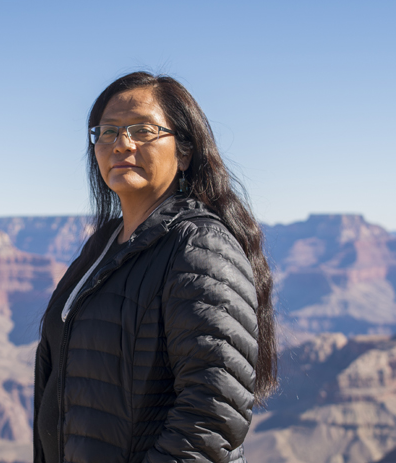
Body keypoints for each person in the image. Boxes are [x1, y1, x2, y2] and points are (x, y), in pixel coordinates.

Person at [33, 72, 277, 463]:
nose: (121, 144)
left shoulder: (198, 246)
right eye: (107, 132)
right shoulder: (105, 244)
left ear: (184, 152)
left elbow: (211, 415)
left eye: (142, 130)